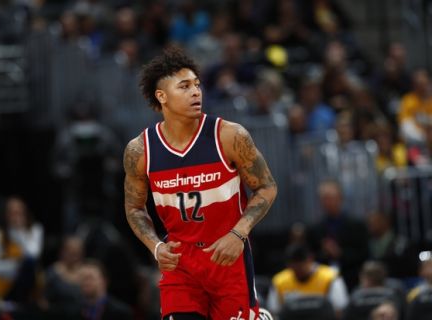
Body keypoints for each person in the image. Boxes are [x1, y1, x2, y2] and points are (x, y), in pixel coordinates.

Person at [123, 46, 278, 320]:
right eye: (184, 87)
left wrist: (238, 233)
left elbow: (266, 187)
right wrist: (156, 247)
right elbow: (135, 208)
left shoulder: (229, 136)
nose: (196, 92)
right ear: (162, 97)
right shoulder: (141, 150)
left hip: (227, 258)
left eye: (197, 85)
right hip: (181, 265)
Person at [0, 196, 43, 304]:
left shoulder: (35, 230)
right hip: (5, 283)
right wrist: (16, 266)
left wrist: (20, 232)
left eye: (19, 213)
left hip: (28, 282)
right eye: (12, 213)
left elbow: (34, 255)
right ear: (6, 215)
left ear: (25, 213)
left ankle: (27, 301)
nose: (16, 217)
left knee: (29, 264)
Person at [266, 243, 349, 317]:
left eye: (300, 267)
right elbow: (273, 313)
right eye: (294, 269)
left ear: (310, 259)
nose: (297, 272)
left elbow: (340, 311)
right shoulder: (279, 281)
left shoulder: (330, 277)